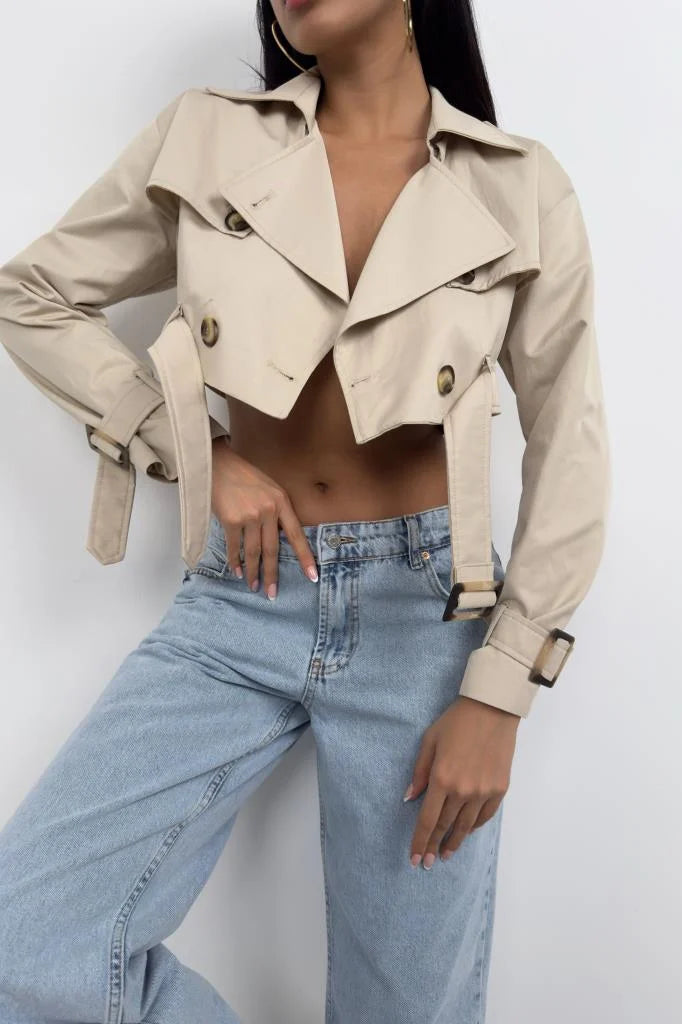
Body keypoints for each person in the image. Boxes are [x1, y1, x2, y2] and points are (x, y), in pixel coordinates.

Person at [0, 1, 610, 1022]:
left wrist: (501, 691)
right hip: (242, 593)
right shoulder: (209, 137)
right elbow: (32, 295)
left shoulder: (518, 184)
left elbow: (571, 446)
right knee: (25, 934)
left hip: (429, 621)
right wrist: (201, 454)